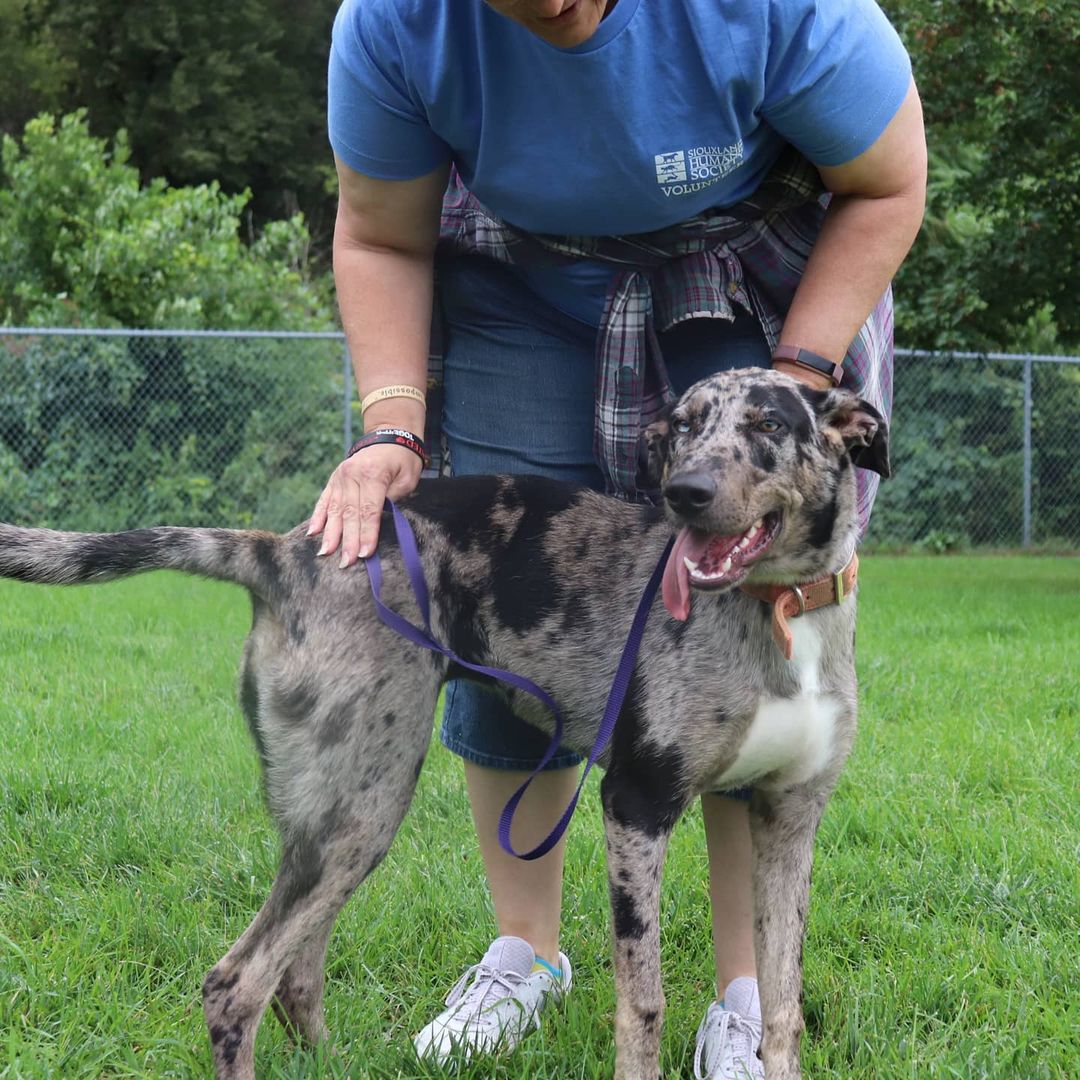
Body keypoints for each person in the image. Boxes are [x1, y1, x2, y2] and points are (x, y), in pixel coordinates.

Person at [308, 1, 926, 1076]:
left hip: (742, 269)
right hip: (512, 281)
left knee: (738, 619)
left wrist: (801, 385)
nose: (549, 6)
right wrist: (393, 424)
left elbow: (887, 182)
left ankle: (740, 995)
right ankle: (525, 952)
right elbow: (377, 230)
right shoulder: (397, 23)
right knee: (510, 605)